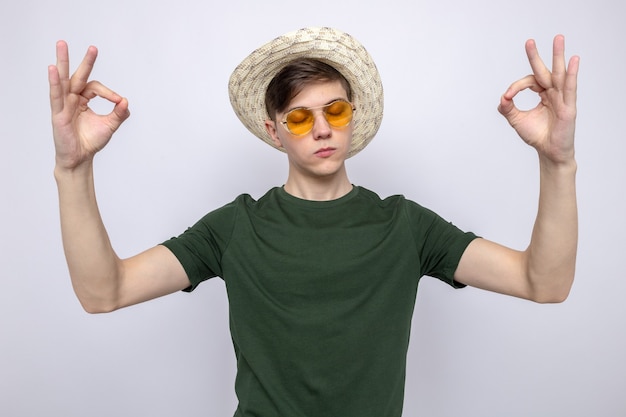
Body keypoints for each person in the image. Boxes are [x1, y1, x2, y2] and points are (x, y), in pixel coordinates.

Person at [48, 27, 579, 417]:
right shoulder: (236, 227)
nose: (322, 129)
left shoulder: (405, 226)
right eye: (300, 117)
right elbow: (104, 291)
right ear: (275, 131)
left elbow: (544, 282)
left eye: (336, 111)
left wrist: (557, 162)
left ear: (353, 117)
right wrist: (74, 170)